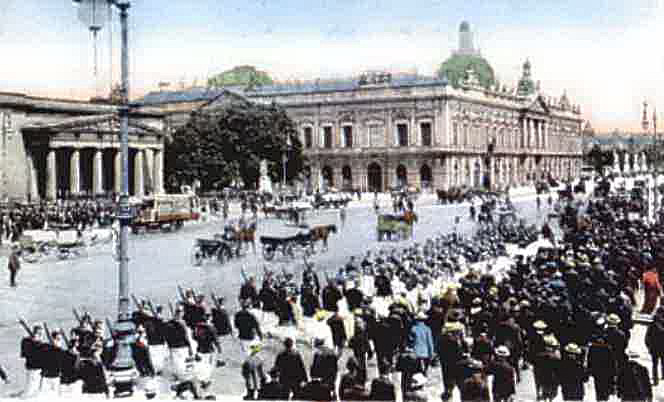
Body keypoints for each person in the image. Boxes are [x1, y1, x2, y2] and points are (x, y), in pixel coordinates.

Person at [20, 325, 44, 398]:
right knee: (29, 388)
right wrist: (33, 343)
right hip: (31, 367)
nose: (40, 336)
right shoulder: (27, 341)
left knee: (36, 388)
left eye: (41, 334)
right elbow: (24, 354)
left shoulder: (40, 343)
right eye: (39, 334)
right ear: (34, 333)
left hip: (39, 368)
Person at [408, 311, 434, 375]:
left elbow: (410, 341)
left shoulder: (413, 329)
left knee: (416, 371)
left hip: (416, 352)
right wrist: (431, 353)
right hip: (426, 353)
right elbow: (430, 342)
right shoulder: (427, 329)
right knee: (424, 371)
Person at [645, 307, 664, 385]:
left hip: (654, 349)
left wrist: (649, 347)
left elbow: (647, 338)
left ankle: (656, 380)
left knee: (655, 365)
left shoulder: (652, 325)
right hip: (662, 348)